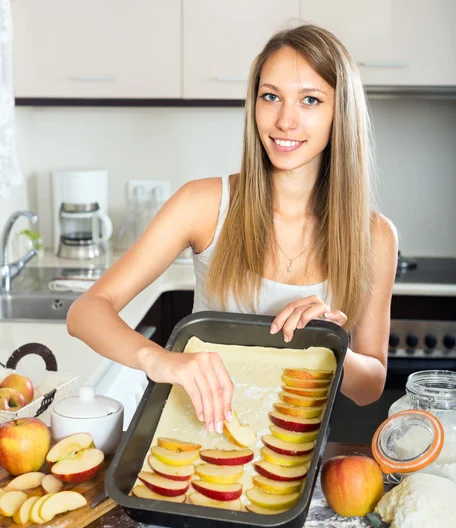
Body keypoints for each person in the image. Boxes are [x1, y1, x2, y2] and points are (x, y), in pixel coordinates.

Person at [67, 24, 397, 435]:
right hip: (189, 443)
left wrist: (331, 342)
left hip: (291, 456)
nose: (285, 120)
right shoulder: (204, 205)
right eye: (270, 97)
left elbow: (370, 387)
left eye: (310, 100)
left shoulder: (375, 236)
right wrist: (162, 360)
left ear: (339, 113)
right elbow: (85, 312)